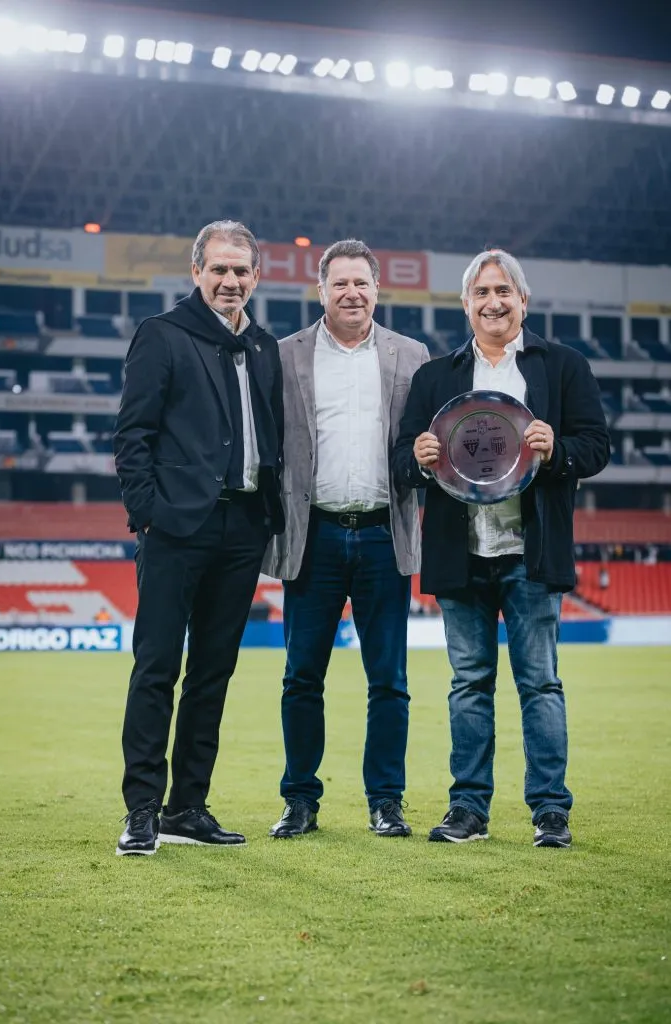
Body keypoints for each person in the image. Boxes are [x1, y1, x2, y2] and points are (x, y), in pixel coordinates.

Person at [393, 248, 610, 849]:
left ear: (522, 300)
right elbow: (401, 463)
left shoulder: (562, 366)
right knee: (468, 684)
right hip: (460, 553)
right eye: (481, 293)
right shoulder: (435, 378)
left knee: (539, 683)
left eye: (503, 291)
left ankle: (550, 811)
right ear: (466, 304)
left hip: (530, 552)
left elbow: (595, 446)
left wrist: (556, 449)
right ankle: (468, 810)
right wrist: (417, 458)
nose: (493, 302)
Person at [113, 220, 284, 856]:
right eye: (219, 269)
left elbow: (274, 435)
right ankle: (141, 809)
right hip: (176, 528)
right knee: (156, 668)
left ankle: (188, 805)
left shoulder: (264, 347)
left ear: (256, 277)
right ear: (197, 272)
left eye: (241, 271)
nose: (230, 281)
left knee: (212, 674)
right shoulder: (161, 336)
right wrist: (148, 515)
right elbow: (132, 435)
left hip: (241, 529)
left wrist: (266, 515)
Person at [263, 239, 429, 839]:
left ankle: (386, 800)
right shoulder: (285, 356)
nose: (351, 293)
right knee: (301, 677)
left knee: (389, 680)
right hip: (315, 535)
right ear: (322, 289)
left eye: (361, 283)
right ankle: (300, 800)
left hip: (386, 535)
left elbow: (423, 447)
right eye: (340, 284)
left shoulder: (412, 355)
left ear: (376, 289)